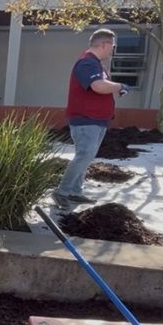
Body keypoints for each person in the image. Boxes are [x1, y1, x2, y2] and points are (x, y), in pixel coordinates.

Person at [53, 28, 130, 210]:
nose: (113, 49)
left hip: (96, 120)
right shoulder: (86, 63)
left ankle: (75, 191)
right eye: (113, 45)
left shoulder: (96, 64)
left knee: (86, 157)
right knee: (84, 155)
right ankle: (61, 192)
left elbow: (102, 85)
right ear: (104, 44)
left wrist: (116, 88)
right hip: (86, 120)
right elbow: (97, 86)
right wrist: (120, 85)